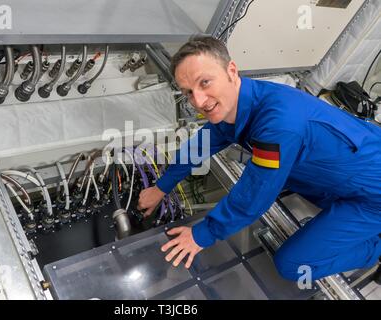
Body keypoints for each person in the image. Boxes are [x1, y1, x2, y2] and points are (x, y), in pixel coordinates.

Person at [137, 36, 381, 282]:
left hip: (372, 194)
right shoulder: (236, 105)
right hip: (344, 173)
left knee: (292, 265)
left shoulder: (278, 124)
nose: (199, 101)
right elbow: (197, 147)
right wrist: (161, 187)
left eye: (205, 82)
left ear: (231, 70)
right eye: (188, 92)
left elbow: (255, 195)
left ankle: (374, 252)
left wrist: (202, 235)